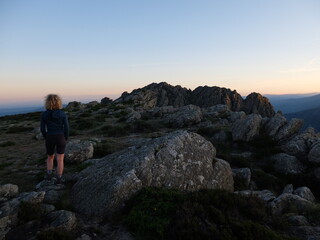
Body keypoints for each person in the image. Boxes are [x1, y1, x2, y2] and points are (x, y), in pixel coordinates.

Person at [40, 94, 69, 184]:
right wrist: (65, 138)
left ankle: (49, 176)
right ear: (59, 102)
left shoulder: (44, 114)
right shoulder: (62, 114)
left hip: (50, 137)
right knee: (60, 159)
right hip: (60, 137)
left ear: (47, 103)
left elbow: (42, 129)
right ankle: (59, 178)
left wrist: (46, 136)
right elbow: (67, 128)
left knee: (50, 157)